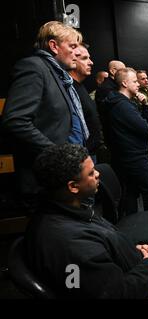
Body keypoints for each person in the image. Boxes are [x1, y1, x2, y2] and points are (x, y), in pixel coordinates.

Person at [26, 143, 148, 298]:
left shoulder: (67, 207)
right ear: (73, 186)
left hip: (124, 265)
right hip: (126, 286)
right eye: (90, 173)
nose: (98, 174)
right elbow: (118, 292)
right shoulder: (72, 245)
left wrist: (132, 249)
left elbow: (104, 240)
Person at [1, 21, 86, 213]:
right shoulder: (34, 67)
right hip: (45, 182)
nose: (77, 52)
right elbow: (15, 121)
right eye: (72, 46)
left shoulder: (57, 74)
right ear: (54, 46)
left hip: (62, 178)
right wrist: (57, 154)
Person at [104, 67, 148, 214]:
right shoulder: (123, 106)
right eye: (134, 81)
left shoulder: (121, 102)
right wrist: (145, 109)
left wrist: (145, 106)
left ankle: (134, 224)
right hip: (135, 157)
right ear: (125, 84)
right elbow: (145, 129)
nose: (138, 84)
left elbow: (142, 125)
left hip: (126, 156)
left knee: (131, 193)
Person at [68, 44, 105, 163]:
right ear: (72, 59)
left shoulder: (80, 86)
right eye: (84, 58)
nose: (91, 62)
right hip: (81, 157)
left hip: (90, 154)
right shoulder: (69, 89)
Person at [95, 60, 126, 150]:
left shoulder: (116, 86)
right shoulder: (106, 88)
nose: (125, 73)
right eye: (123, 71)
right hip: (114, 134)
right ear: (113, 71)